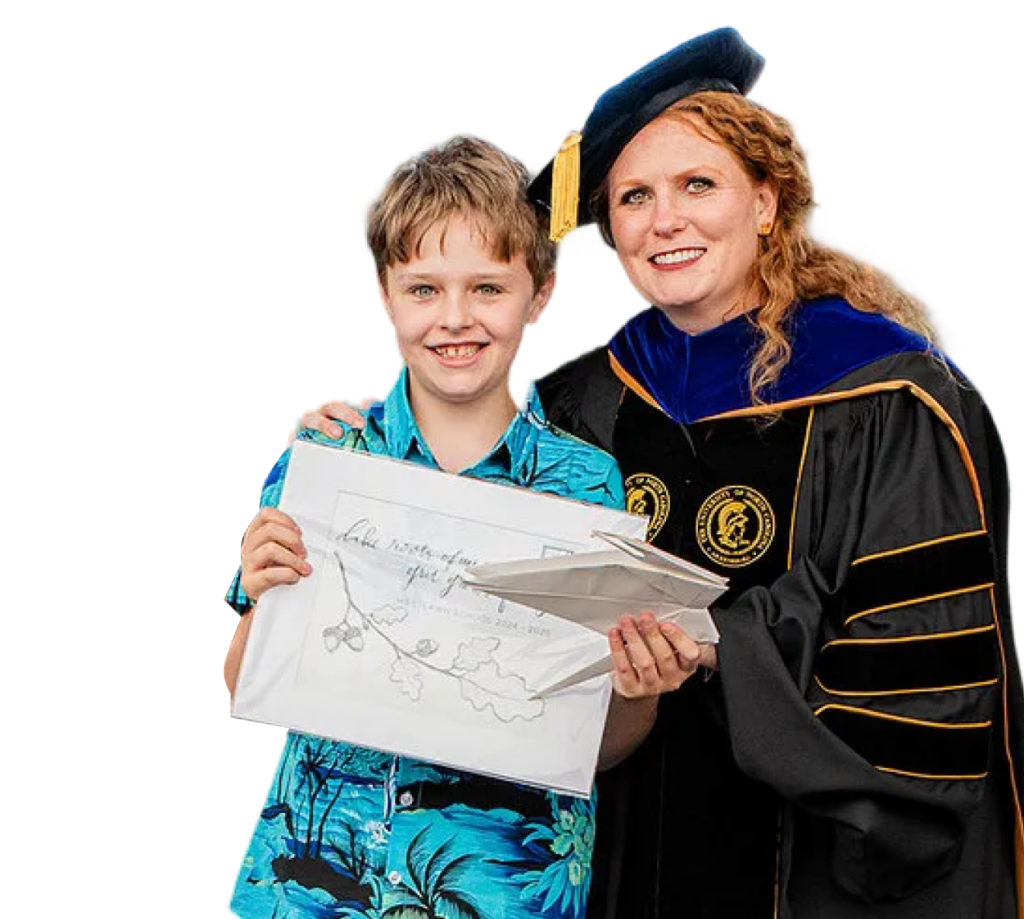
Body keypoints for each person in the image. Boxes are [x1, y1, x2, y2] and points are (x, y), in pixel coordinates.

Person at [287, 25, 1023, 919]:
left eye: (697, 184)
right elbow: (453, 511)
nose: (664, 219)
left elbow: (920, 662)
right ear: (608, 231)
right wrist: (353, 446)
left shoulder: (892, 400)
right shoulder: (580, 397)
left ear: (766, 199)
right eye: (633, 196)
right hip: (615, 846)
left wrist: (723, 645)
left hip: (808, 874)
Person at [221, 130, 711, 919]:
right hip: (308, 883)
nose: (455, 319)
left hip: (505, 890)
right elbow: (245, 683)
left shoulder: (586, 485)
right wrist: (262, 582)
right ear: (384, 292)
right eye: (424, 289)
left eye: (488, 288)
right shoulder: (327, 450)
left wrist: (639, 689)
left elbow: (601, 741)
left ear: (541, 293)